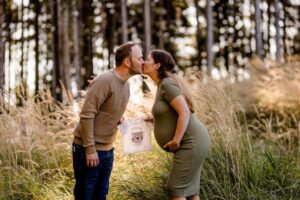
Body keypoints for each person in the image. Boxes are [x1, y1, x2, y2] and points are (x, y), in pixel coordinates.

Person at [72, 41, 144, 200]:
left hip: (107, 151)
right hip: (88, 150)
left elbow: (106, 111)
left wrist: (117, 119)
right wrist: (90, 149)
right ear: (127, 62)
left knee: (101, 195)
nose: (143, 62)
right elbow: (86, 115)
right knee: (85, 195)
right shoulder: (105, 80)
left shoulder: (126, 85)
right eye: (139, 58)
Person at [143, 50, 211, 200]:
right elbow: (172, 113)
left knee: (175, 188)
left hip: (191, 142)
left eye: (147, 59)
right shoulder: (162, 85)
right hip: (194, 142)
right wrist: (156, 120)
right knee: (191, 191)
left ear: (157, 65)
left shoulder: (167, 84)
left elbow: (185, 112)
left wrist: (176, 140)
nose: (143, 62)